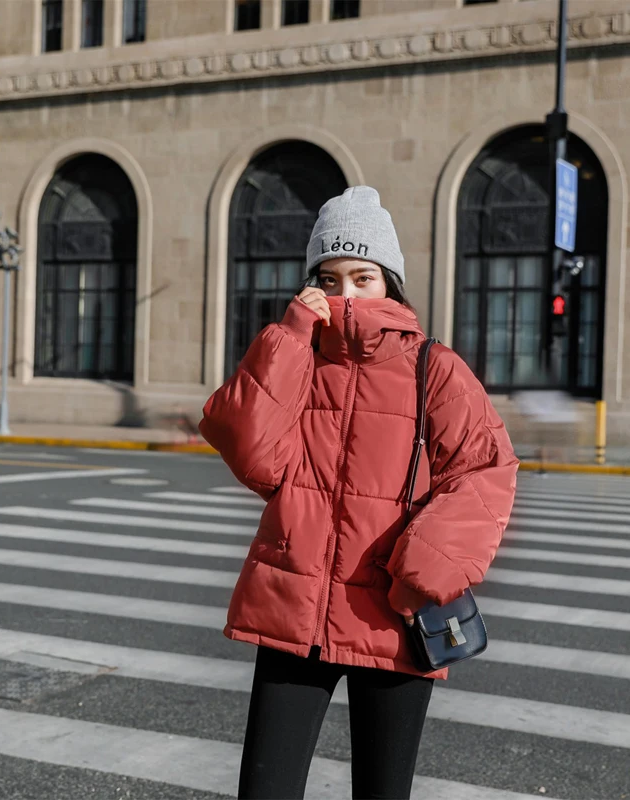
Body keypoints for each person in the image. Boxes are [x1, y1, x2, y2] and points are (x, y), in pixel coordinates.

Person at [199, 186, 518, 800]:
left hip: (394, 613)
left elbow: (485, 472)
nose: (345, 295)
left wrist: (425, 572)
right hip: (294, 604)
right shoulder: (298, 359)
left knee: (382, 791)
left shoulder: (434, 366)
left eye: (362, 277)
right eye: (329, 277)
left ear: (389, 284)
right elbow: (252, 454)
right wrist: (290, 337)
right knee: (265, 789)